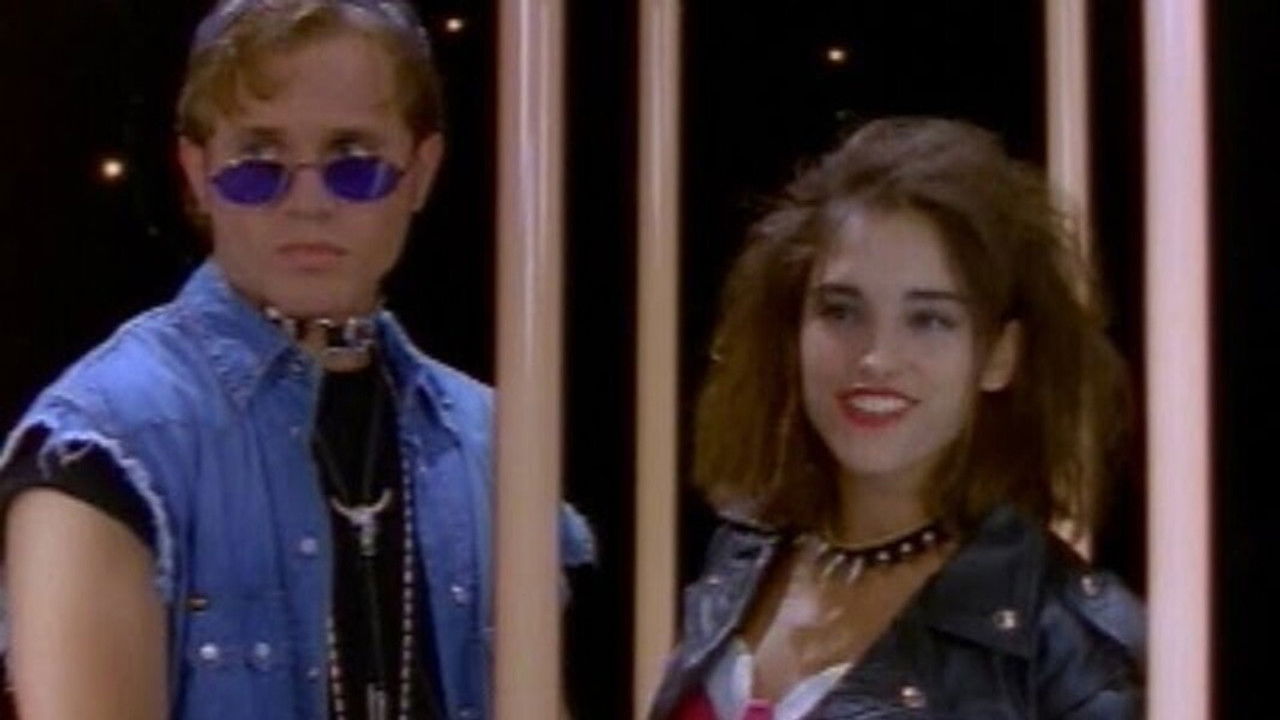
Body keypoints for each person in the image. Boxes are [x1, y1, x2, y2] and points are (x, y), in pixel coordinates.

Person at [0, 2, 593, 719]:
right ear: (196, 171)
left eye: (354, 165)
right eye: (258, 166)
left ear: (421, 170)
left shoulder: (488, 439)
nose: (307, 203)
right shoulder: (103, 441)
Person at [647, 118, 1143, 720]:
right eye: (841, 311)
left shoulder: (1071, 647)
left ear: (1000, 355)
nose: (876, 358)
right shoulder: (741, 560)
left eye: (929, 320)